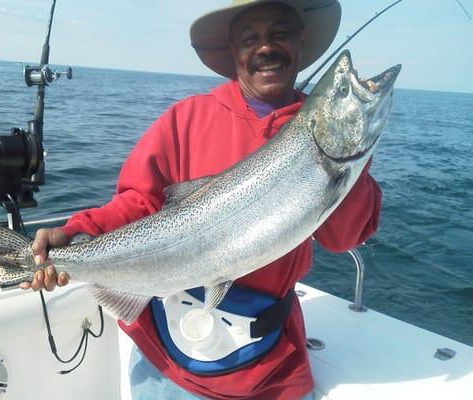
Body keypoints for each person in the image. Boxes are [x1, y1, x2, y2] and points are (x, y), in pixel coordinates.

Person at [23, 1, 382, 399]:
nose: (265, 47)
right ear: (234, 50)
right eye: (251, 38)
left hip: (271, 368)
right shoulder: (186, 118)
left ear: (301, 39)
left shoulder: (316, 130)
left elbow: (343, 238)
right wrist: (77, 233)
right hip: (166, 363)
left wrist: (348, 158)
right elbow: (137, 204)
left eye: (278, 33)